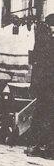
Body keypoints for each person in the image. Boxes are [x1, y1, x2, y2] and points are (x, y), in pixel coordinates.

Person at [26, 14, 54, 157]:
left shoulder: (43, 40)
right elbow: (37, 64)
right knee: (44, 115)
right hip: (46, 86)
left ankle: (41, 146)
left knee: (44, 115)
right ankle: (39, 146)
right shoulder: (44, 41)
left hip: (46, 85)